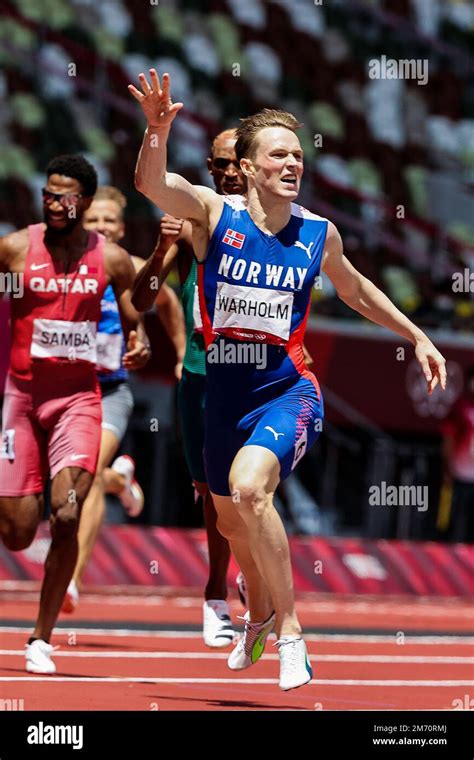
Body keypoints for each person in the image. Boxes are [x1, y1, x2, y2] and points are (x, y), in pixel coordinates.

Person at [129, 71, 446, 690]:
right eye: (279, 155)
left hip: (287, 388)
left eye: (299, 155)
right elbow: (152, 183)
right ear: (246, 167)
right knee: (227, 522)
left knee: (251, 490)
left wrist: (416, 335)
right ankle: (262, 613)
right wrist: (157, 131)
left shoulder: (317, 233)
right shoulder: (214, 212)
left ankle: (292, 631)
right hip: (223, 394)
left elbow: (356, 290)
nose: (294, 163)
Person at [0, 155, 148, 674]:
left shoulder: (109, 260)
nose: (54, 202)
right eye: (48, 193)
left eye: (65, 195)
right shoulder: (16, 251)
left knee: (66, 512)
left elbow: (133, 309)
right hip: (21, 399)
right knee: (17, 533)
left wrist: (139, 337)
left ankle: (40, 638)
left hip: (79, 401)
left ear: (84, 201)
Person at [133, 129, 247, 646]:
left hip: (260, 367)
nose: (229, 172)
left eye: (237, 163)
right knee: (212, 490)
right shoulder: (192, 217)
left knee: (252, 481)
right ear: (209, 165)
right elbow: (141, 299)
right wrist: (160, 249)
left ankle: (241, 573)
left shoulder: (279, 221)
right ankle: (216, 594)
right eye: (221, 163)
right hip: (203, 367)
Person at [62, 185, 185, 612]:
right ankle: (121, 481)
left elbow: (166, 299)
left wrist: (182, 352)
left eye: (109, 220)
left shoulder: (134, 267)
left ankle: (71, 580)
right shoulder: (64, 265)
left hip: (110, 390)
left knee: (87, 474)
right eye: (93, 219)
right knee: (64, 481)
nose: (101, 227)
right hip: (64, 391)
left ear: (122, 225)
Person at [438, 365, 474, 542]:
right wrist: (447, 465)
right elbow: (448, 437)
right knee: (456, 516)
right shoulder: (462, 407)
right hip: (460, 470)